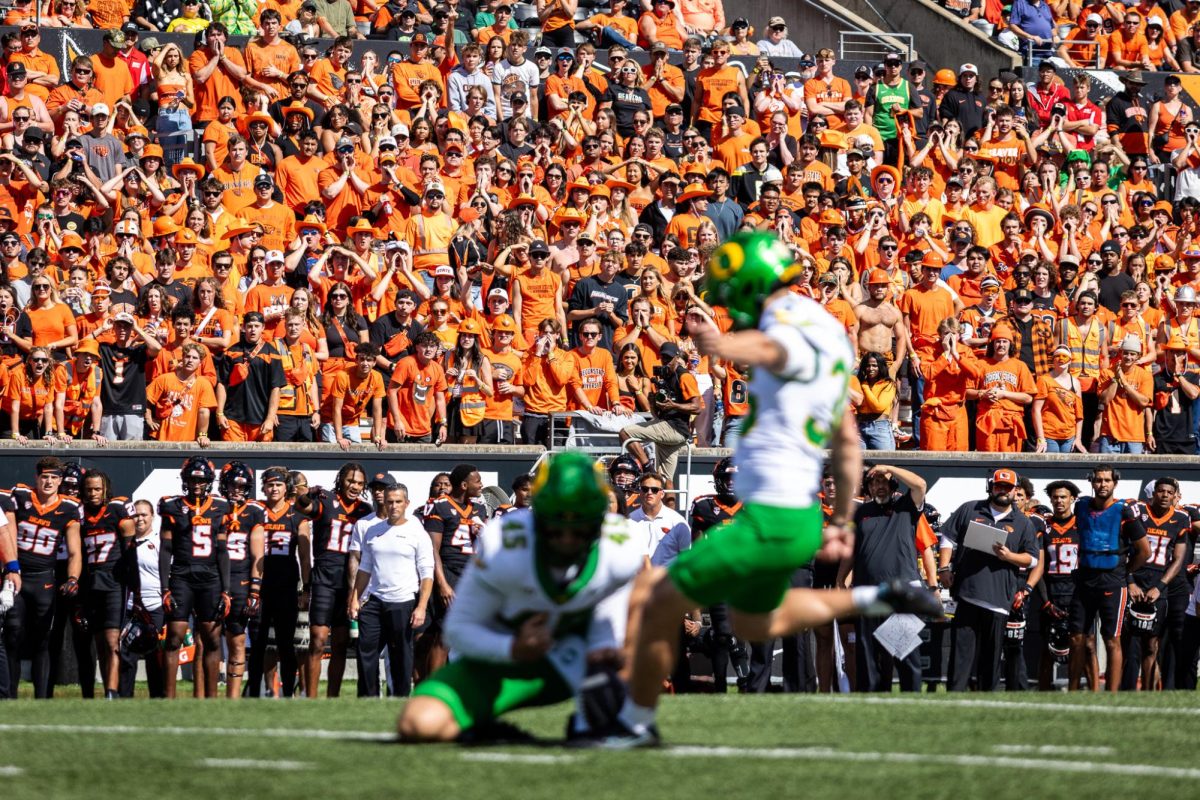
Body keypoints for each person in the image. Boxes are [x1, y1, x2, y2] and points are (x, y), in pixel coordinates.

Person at [597, 232, 940, 747]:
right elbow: (847, 441)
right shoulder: (823, 331)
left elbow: (772, 348)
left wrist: (717, 344)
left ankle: (630, 723)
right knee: (756, 620)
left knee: (661, 595)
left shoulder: (790, 324)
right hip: (795, 511)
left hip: (773, 508)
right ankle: (877, 595)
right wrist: (843, 520)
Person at [397, 451, 643, 742]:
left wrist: (608, 651)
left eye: (578, 525)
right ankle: (489, 727)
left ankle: (628, 720)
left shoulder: (620, 544)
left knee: (656, 588)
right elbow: (458, 630)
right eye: (557, 524)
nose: (566, 537)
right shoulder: (505, 542)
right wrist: (512, 648)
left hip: (574, 662)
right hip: (502, 664)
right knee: (418, 723)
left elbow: (612, 622)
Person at [937, 468, 1040, 692]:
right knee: (960, 654)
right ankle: (954, 697)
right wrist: (944, 567)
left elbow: (1032, 559)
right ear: (991, 487)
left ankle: (988, 697)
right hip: (966, 592)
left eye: (1007, 487)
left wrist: (1009, 556)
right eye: (998, 486)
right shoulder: (970, 508)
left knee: (991, 658)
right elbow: (947, 537)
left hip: (999, 600)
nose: (1002, 491)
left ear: (1015, 491)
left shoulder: (1023, 522)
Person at [1, 457, 82, 699]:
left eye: (54, 477)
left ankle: (43, 699)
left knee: (42, 639)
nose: (49, 481)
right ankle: (10, 696)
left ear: (60, 480)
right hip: (17, 576)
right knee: (13, 635)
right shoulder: (21, 496)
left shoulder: (69, 507)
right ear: (36, 477)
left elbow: (75, 551)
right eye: (44, 476)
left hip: (44, 579)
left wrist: (73, 578)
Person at [846, 464, 931, 692]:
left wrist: (887, 467)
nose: (879, 486)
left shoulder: (906, 506)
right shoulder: (861, 513)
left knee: (904, 652)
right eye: (874, 482)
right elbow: (854, 550)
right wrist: (839, 580)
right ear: (869, 488)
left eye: (884, 482)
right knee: (867, 652)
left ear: (893, 485)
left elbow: (920, 484)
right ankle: (869, 699)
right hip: (867, 590)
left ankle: (910, 699)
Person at [1067, 466, 1151, 693]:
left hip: (1112, 581)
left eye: (1106, 480)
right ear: (1091, 482)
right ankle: (1072, 690)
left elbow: (1144, 551)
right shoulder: (1081, 506)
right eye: (1098, 480)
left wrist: (1125, 572)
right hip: (1084, 579)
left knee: (1111, 638)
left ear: (1115, 483)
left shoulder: (1124, 511)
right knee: (1076, 638)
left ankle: (1111, 695)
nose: (1102, 484)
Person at [294, 462, 371, 699]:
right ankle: (311, 697)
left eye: (359, 482)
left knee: (340, 643)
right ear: (341, 480)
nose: (354, 486)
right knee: (317, 640)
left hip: (349, 580)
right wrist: (307, 494)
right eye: (350, 481)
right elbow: (302, 507)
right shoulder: (327, 500)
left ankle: (332, 698)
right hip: (325, 575)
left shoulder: (365, 510)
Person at [349, 483, 433, 698]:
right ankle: (368, 698)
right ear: (383, 502)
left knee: (401, 655)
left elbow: (426, 573)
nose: (393, 506)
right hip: (374, 600)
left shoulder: (417, 533)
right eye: (389, 502)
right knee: (365, 651)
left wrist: (421, 606)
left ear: (406, 503)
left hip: (403, 601)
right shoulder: (373, 530)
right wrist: (355, 598)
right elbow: (365, 567)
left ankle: (400, 698)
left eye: (398, 502)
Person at [158, 456, 231, 699]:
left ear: (209, 482)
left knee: (211, 638)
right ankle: (169, 697)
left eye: (201, 480)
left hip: (210, 577)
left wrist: (226, 589)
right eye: (192, 479)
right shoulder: (172, 506)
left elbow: (222, 552)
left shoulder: (221, 507)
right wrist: (165, 587)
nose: (196, 484)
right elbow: (165, 549)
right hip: (181, 575)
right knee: (175, 636)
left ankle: (210, 699)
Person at [1122, 477, 1190, 691]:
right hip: (1134, 578)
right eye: (1161, 491)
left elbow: (1178, 559)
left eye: (1169, 492)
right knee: (1128, 642)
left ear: (1175, 496)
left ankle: (1149, 693)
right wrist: (1130, 581)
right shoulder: (1138, 512)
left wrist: (1159, 587)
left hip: (1157, 583)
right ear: (1154, 493)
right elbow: (1122, 548)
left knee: (1152, 644)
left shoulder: (1180, 518)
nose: (1165, 496)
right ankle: (1126, 690)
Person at [246, 467, 309, 698]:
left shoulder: (297, 516)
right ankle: (255, 691)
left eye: (278, 485)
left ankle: (287, 693)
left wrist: (306, 588)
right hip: (259, 585)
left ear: (286, 488)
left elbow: (304, 556)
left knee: (285, 643)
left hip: (286, 584)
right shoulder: (255, 511)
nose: (274, 488)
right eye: (270, 484)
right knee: (258, 643)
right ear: (263, 487)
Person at [421, 464, 488, 675]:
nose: (481, 485)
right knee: (443, 636)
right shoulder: (438, 506)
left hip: (471, 574)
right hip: (449, 572)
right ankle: (434, 688)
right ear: (464, 484)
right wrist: (442, 584)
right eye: (477, 481)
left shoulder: (478, 508)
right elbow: (432, 550)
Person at [78, 469, 133, 700]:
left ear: (106, 490)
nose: (93, 493)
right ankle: (107, 692)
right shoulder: (79, 515)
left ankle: (112, 691)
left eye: (97, 489)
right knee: (100, 642)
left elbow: (130, 545)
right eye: (89, 489)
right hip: (91, 584)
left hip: (113, 582)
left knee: (112, 641)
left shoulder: (116, 510)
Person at [217, 461, 265, 700]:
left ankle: (233, 697)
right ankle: (205, 695)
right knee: (207, 641)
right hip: (214, 581)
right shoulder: (213, 508)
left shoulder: (254, 512)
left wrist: (254, 589)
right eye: (232, 485)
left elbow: (258, 554)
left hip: (241, 580)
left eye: (241, 485)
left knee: (237, 641)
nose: (236, 490)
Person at [116, 499, 166, 699]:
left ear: (152, 516)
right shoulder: (125, 543)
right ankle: (124, 700)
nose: (139, 519)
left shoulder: (161, 541)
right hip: (130, 608)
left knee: (156, 659)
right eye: (135, 515)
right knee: (127, 657)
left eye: (144, 514)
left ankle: (157, 701)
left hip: (156, 606)